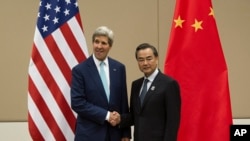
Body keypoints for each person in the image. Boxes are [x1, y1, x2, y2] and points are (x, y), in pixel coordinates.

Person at [70, 26, 131, 141]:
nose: (99, 46)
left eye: (104, 43)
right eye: (96, 42)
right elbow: (78, 103)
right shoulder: (80, 70)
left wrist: (125, 133)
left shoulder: (119, 68)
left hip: (115, 134)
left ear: (110, 46)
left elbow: (123, 102)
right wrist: (107, 116)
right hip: (89, 135)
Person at [111, 43, 181, 141]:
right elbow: (135, 115)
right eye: (141, 60)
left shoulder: (169, 84)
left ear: (156, 59)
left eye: (149, 59)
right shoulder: (136, 85)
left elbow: (172, 121)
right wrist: (120, 119)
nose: (145, 63)